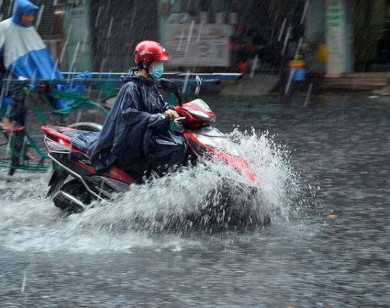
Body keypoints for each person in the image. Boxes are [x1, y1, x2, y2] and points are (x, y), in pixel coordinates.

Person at [87, 40, 186, 179]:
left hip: (146, 136)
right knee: (172, 149)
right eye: (157, 64)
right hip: (131, 142)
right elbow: (130, 114)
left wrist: (177, 111)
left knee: (180, 143)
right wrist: (161, 117)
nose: (161, 68)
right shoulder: (132, 87)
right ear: (145, 64)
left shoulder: (149, 84)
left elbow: (160, 105)